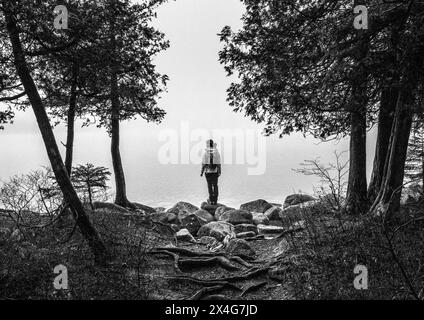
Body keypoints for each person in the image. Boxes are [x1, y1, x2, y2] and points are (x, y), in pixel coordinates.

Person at [200, 139, 221, 205]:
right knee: (215, 185)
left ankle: (211, 200)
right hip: (215, 172)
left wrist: (202, 172)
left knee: (209, 186)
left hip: (208, 172)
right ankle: (215, 200)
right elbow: (218, 163)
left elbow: (203, 164)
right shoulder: (216, 152)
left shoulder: (206, 153)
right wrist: (219, 171)